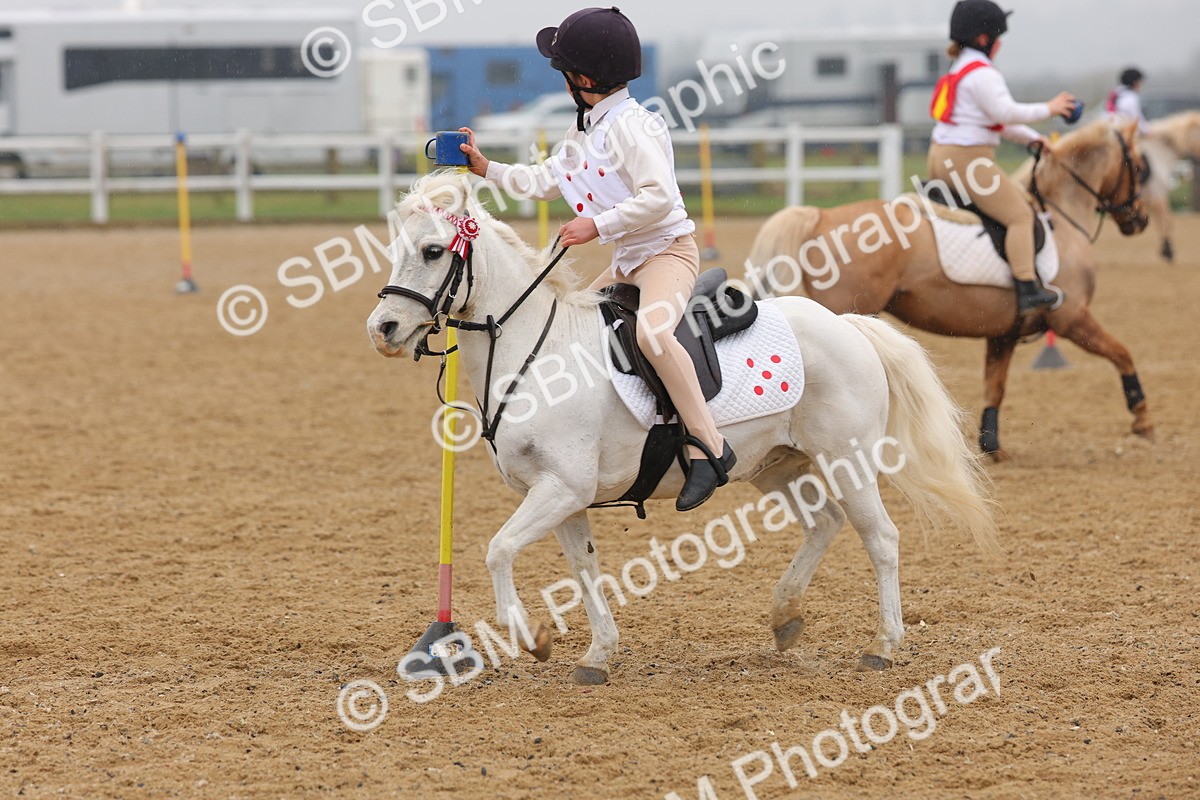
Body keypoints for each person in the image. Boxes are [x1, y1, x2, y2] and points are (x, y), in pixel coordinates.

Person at [457, 6, 735, 512]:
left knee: (653, 336)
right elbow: (545, 181)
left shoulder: (633, 127)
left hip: (667, 254)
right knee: (572, 330)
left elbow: (660, 198)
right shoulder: (584, 130)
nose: (562, 80)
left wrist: (596, 225)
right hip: (628, 260)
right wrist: (486, 168)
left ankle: (710, 447)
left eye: (564, 71)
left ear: (582, 79)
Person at [928, 0, 1077, 314]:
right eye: (998, 37)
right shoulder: (983, 74)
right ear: (984, 39)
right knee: (1020, 216)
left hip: (939, 157)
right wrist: (1049, 108)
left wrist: (1032, 137)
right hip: (968, 162)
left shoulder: (960, 68)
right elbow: (1005, 112)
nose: (1000, 43)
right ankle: (1027, 288)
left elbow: (995, 121)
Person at [1106, 67, 1151, 135]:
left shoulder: (1116, 93)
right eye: (1140, 81)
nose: (1141, 84)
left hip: (1111, 129)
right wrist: (1147, 131)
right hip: (1123, 132)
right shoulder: (1131, 97)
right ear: (1135, 82)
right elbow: (1136, 118)